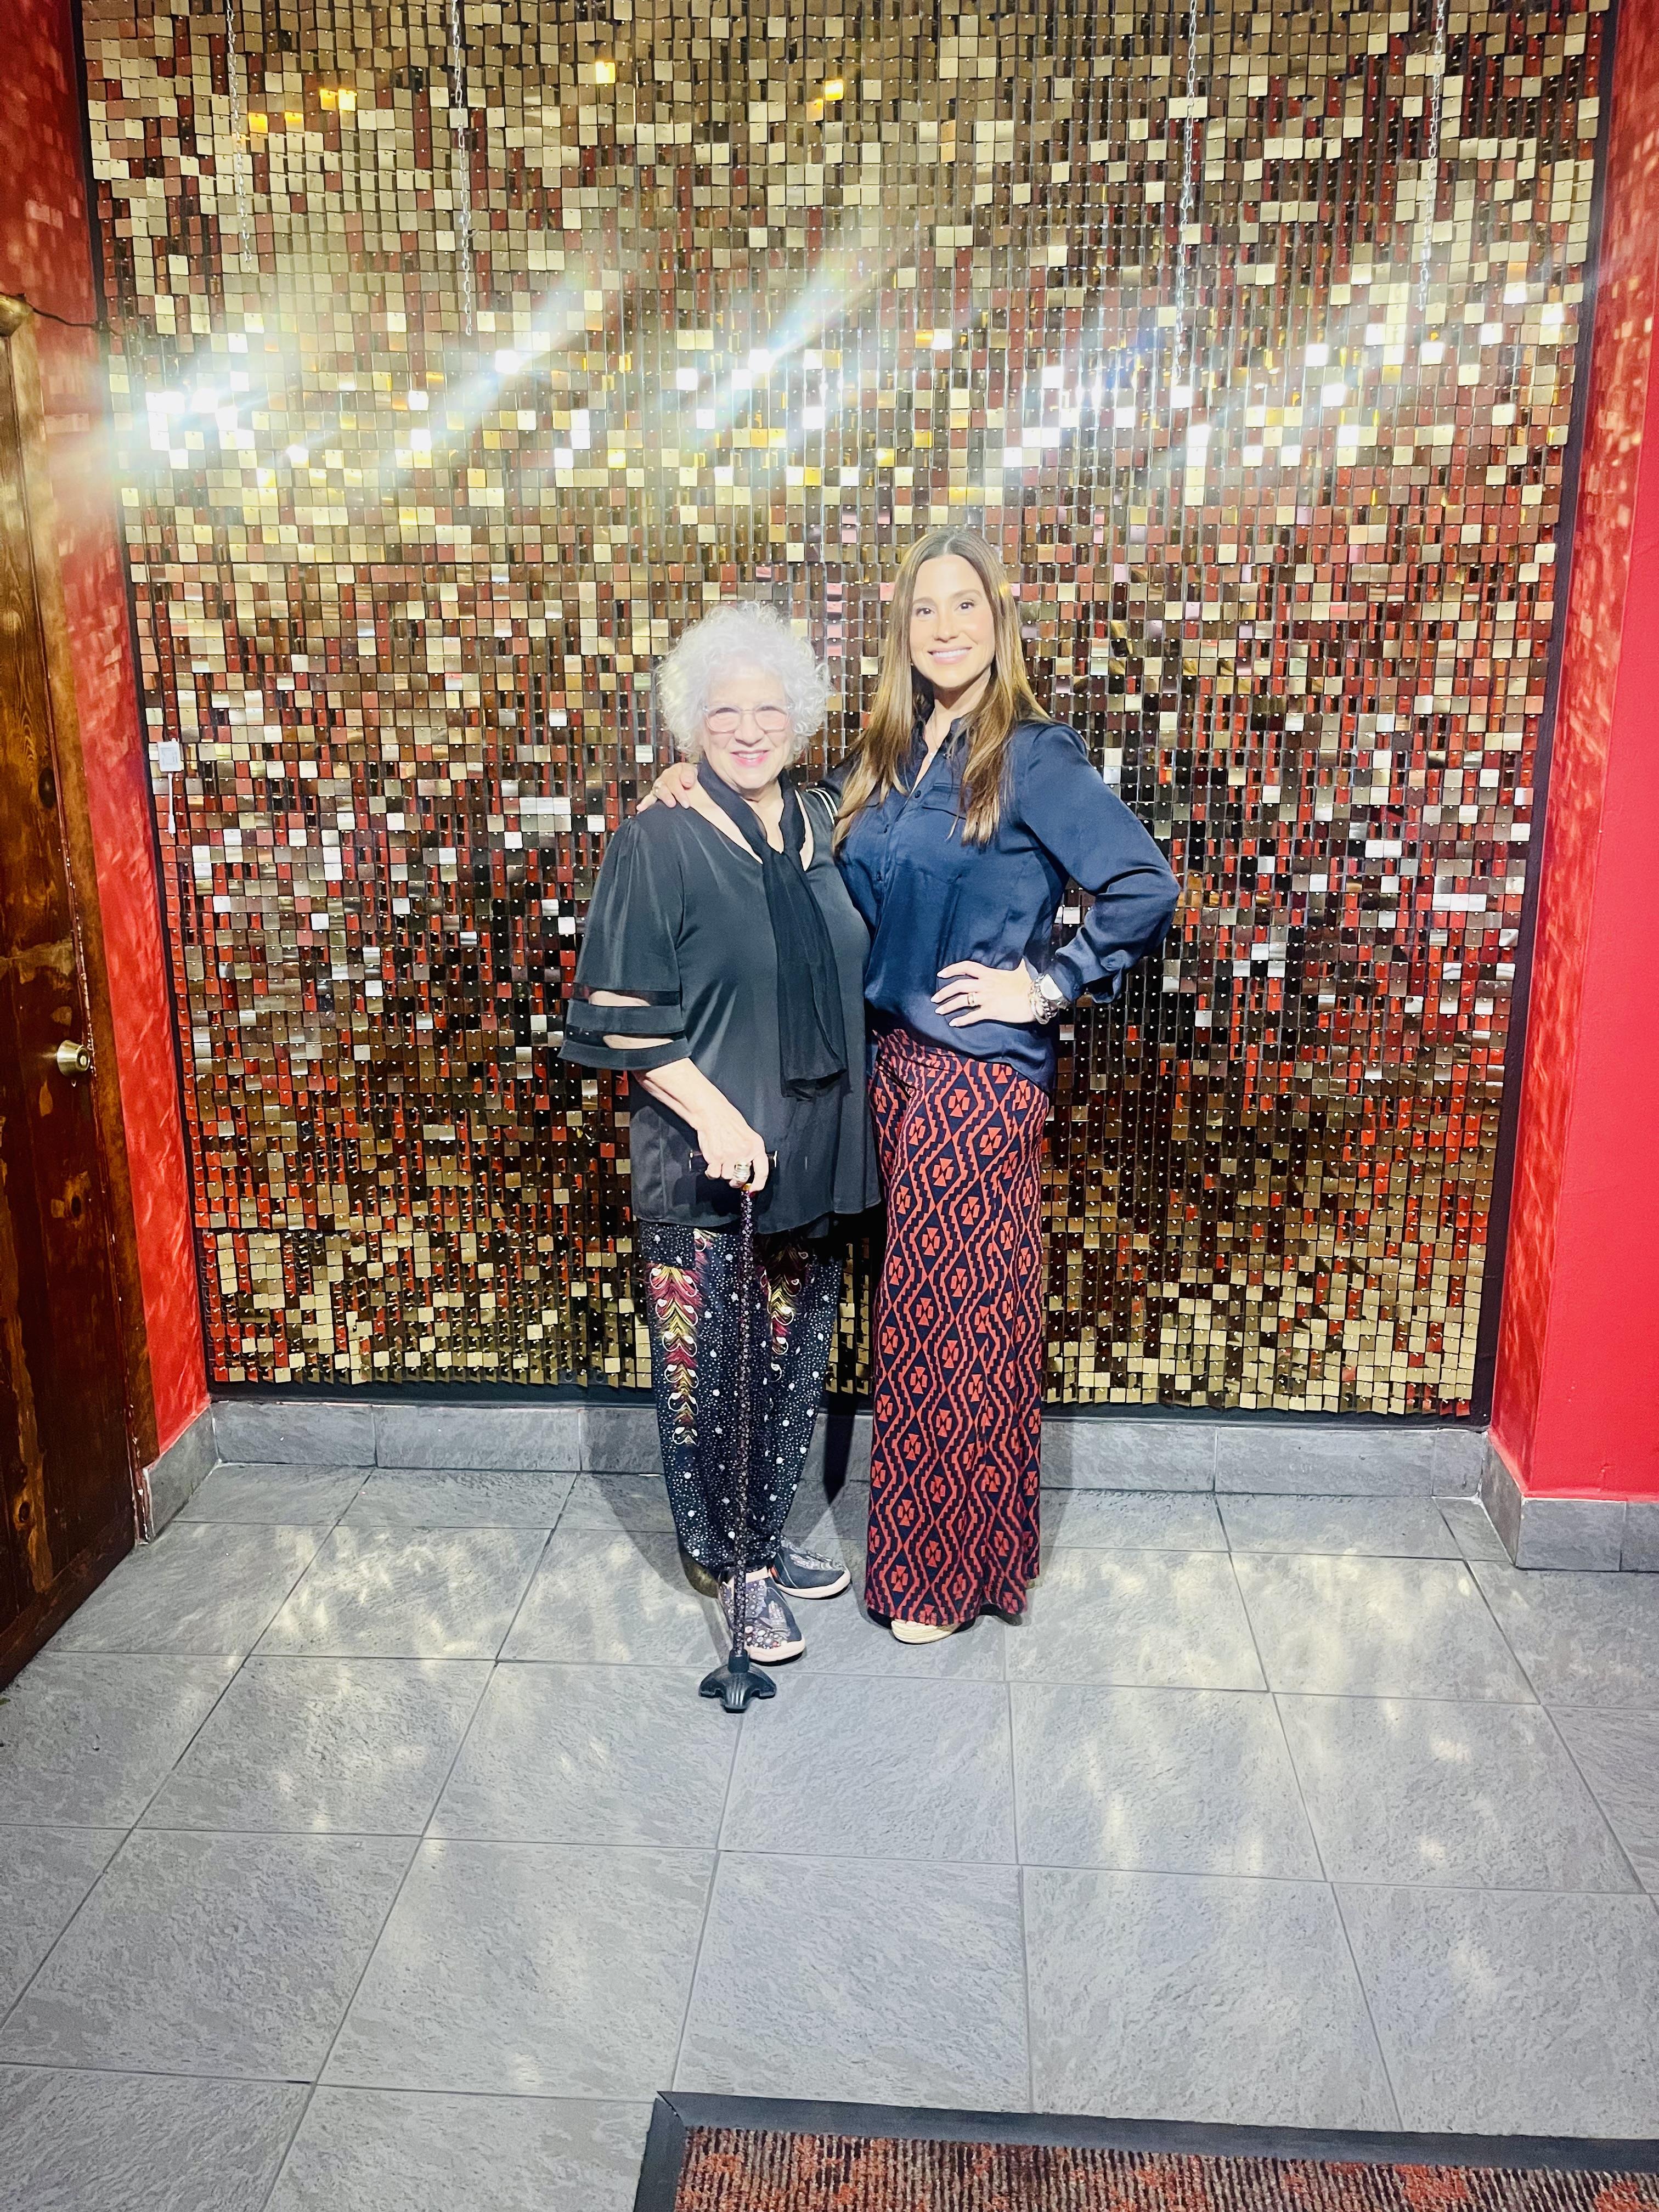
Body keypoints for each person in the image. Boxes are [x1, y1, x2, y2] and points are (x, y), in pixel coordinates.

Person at [644, 532, 1178, 1641]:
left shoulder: (1030, 754)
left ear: (997, 622)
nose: (944, 627)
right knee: (936, 1319)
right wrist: (694, 775)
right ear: (903, 633)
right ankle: (977, 1554)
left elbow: (1143, 883)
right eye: (923, 610)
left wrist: (1048, 983)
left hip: (974, 1082)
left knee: (948, 1326)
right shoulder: (890, 753)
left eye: (964, 606)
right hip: (889, 1073)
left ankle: (941, 1576)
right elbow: (793, 831)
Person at [561, 601, 879, 1662]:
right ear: (690, 724)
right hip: (710, 1168)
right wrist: (715, 1117)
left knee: (790, 1363)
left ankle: (766, 1534)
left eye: (771, 710)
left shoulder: (825, 818)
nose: (750, 730)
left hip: (816, 1150)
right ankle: (732, 1566)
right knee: (716, 1376)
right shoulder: (656, 839)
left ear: (803, 721)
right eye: (726, 711)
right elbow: (620, 1017)